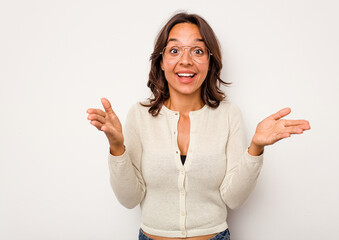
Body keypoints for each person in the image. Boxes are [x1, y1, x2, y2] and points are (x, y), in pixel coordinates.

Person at [86, 12, 310, 240]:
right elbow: (129, 198)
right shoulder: (139, 115)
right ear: (161, 62)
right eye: (174, 50)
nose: (186, 60)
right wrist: (117, 147)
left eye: (198, 51)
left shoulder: (229, 114)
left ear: (210, 62)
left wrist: (255, 149)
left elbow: (233, 199)